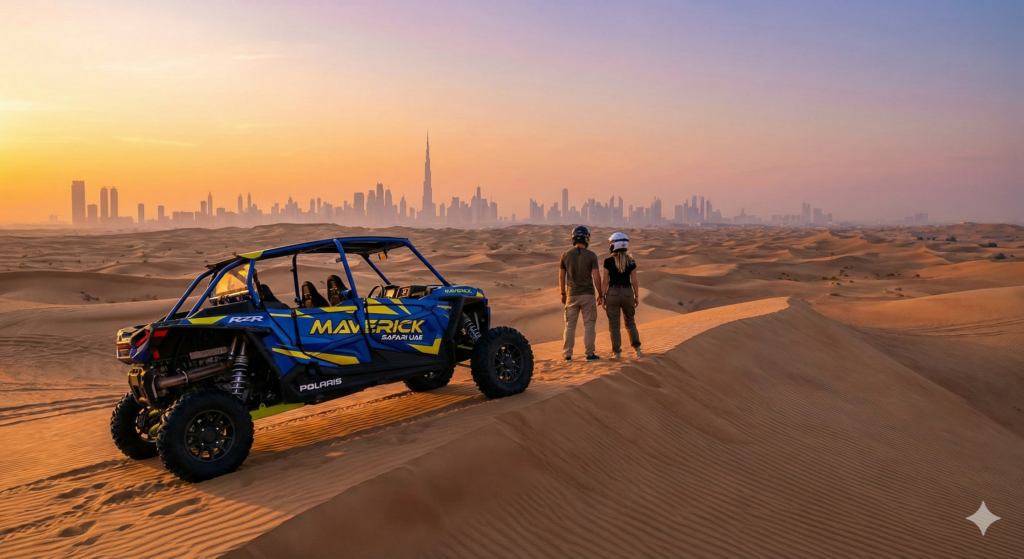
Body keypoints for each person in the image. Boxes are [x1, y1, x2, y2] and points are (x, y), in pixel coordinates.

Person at [560, 225, 604, 362]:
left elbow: (561, 277)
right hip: (588, 296)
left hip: (571, 295)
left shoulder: (565, 255)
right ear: (587, 239)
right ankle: (590, 354)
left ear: (573, 238)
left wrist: (563, 293)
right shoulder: (592, 256)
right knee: (589, 325)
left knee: (569, 326)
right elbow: (597, 277)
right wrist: (601, 294)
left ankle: (567, 355)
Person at [601, 232, 642, 358]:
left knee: (614, 324)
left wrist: (602, 296)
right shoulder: (631, 261)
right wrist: (636, 296)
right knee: (630, 322)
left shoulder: (608, 261)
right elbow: (634, 281)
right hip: (628, 292)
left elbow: (605, 281)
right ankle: (637, 349)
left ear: (613, 245)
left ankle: (617, 353)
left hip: (613, 293)